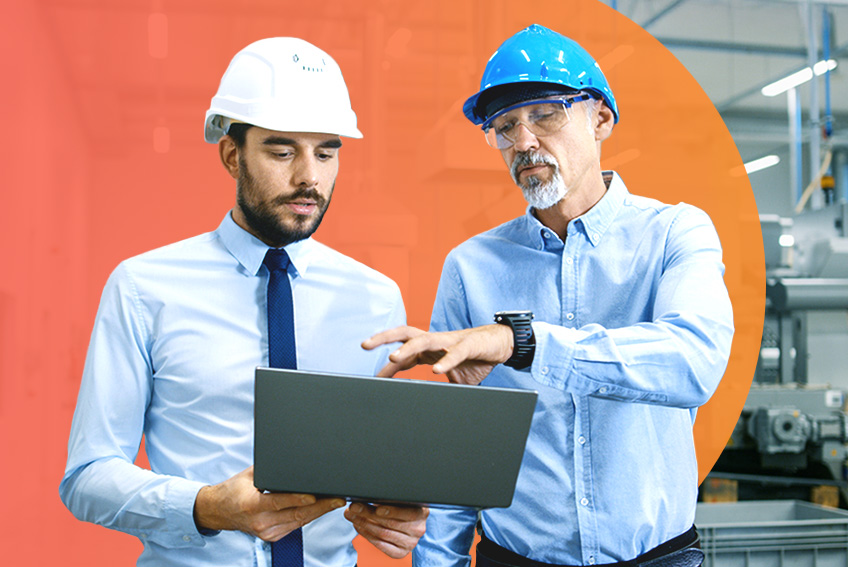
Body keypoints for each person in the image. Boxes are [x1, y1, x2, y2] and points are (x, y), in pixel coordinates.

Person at [364, 24, 734, 567]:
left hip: (656, 558)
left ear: (601, 118)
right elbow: (458, 449)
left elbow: (693, 363)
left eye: (545, 114)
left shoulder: (675, 233)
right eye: (504, 126)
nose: (523, 141)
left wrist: (521, 342)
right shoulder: (472, 266)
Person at [60, 37, 427, 567]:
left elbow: (371, 465)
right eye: (282, 151)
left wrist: (393, 512)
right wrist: (207, 507)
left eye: (326, 152)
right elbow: (88, 476)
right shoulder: (144, 287)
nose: (310, 176)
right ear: (233, 156)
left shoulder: (375, 296)